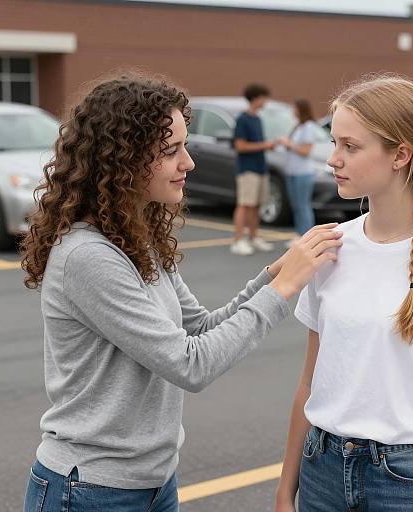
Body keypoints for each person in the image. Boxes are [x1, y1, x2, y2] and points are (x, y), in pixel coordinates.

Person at [19, 73, 344, 512]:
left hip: (154, 484)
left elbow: (200, 327)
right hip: (90, 490)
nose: (188, 162)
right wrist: (285, 289)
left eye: (184, 145)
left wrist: (274, 272)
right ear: (123, 160)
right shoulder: (87, 256)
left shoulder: (136, 238)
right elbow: (190, 364)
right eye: (171, 151)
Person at [275, 75, 413, 512]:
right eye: (333, 142)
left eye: (349, 146)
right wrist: (287, 490)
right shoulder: (330, 245)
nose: (332, 160)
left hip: (407, 482)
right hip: (319, 470)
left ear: (400, 154)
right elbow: (309, 382)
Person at [231, 83, 278, 256]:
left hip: (260, 168)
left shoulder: (257, 119)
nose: (266, 101)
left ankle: (253, 237)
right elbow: (240, 146)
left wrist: (265, 146)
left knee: (256, 205)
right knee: (244, 204)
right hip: (247, 169)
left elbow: (256, 145)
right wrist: (265, 145)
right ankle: (237, 241)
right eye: (264, 97)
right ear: (256, 98)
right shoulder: (243, 119)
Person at [279, 99, 317, 247]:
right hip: (292, 172)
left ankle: (307, 239)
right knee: (296, 205)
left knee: (303, 205)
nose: (292, 111)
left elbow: (306, 151)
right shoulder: (299, 126)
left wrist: (289, 144)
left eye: (294, 108)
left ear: (300, 109)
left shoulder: (308, 127)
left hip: (303, 173)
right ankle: (300, 235)